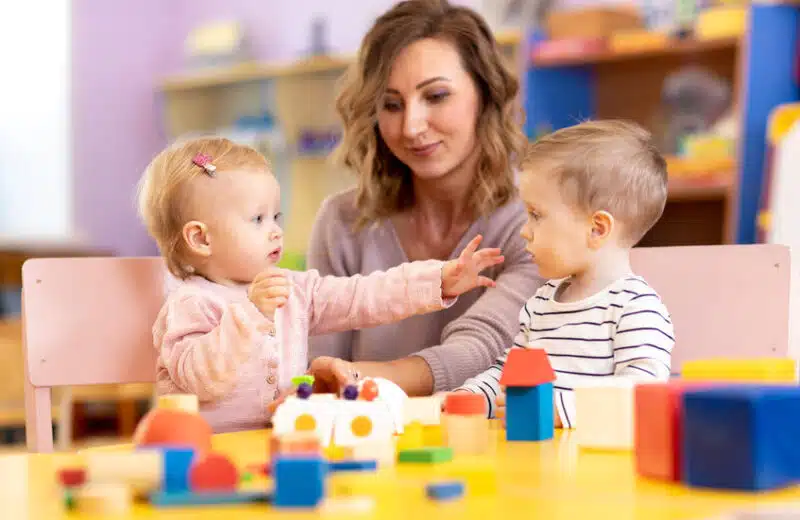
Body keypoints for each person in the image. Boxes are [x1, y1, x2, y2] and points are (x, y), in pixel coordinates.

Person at [136, 136, 504, 432]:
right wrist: (250, 314)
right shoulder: (190, 304)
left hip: (285, 435)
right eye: (257, 219)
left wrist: (438, 280)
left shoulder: (293, 288)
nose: (276, 231)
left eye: (276, 216)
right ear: (201, 239)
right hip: (209, 450)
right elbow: (202, 381)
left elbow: (361, 296)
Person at [306, 0, 543, 397]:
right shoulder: (342, 223)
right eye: (391, 104)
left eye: (435, 96)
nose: (412, 126)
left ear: (485, 95)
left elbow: (480, 350)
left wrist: (355, 378)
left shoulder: (535, 219)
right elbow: (316, 372)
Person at [455, 120, 676, 428]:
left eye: (536, 216)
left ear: (596, 229)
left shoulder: (635, 308)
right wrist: (471, 397)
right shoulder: (542, 302)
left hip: (596, 470)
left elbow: (643, 394)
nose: (523, 232)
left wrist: (563, 410)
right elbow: (511, 377)